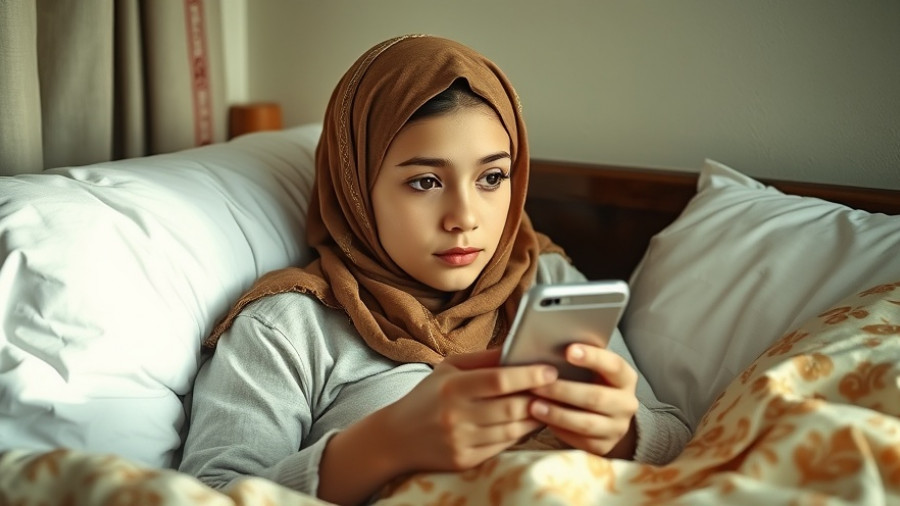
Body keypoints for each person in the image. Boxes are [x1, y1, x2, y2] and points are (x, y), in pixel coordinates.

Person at [179, 34, 691, 505]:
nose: (465, 218)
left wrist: (624, 433)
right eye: (425, 182)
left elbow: (681, 441)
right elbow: (210, 494)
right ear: (355, 188)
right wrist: (382, 446)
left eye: (492, 177)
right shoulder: (289, 329)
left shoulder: (543, 280)